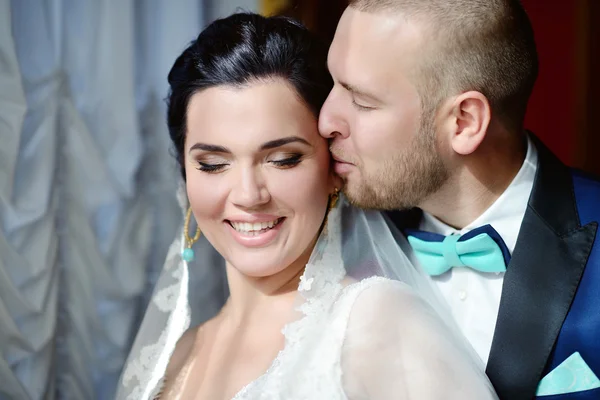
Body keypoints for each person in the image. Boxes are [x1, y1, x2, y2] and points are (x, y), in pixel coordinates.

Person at [115, 12, 497, 400]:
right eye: (213, 165)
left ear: (333, 168)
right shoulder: (179, 354)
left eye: (283, 159)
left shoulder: (376, 324)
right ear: (186, 175)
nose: (249, 195)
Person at [318, 1, 600, 399]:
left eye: (361, 101)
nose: (325, 121)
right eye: (331, 83)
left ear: (464, 122)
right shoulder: (330, 242)